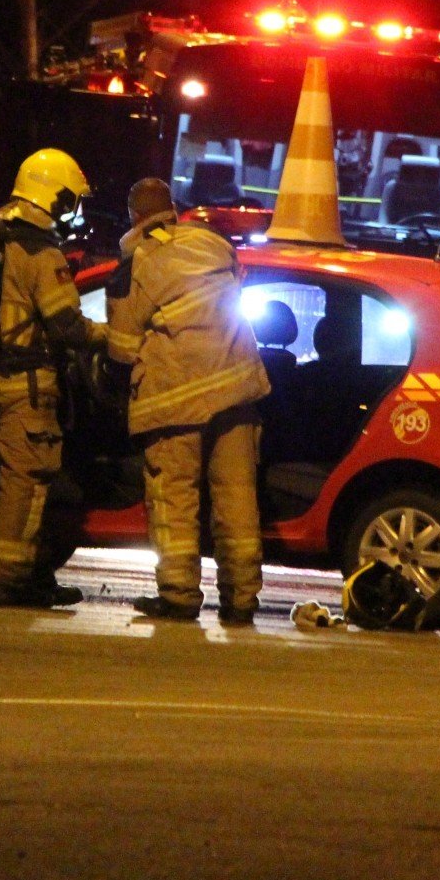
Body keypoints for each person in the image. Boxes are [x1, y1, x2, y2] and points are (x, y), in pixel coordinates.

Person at [106, 176, 272, 625]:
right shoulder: (213, 244)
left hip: (174, 401)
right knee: (236, 497)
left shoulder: (136, 264)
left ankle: (179, 595)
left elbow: (121, 349)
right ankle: (241, 599)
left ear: (134, 216)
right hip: (237, 391)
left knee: (174, 497)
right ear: (172, 208)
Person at [0, 149, 106, 608]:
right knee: (26, 486)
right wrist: (111, 337)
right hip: (26, 385)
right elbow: (66, 325)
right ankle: (10, 582)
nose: (73, 210)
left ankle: (23, 573)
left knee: (10, 485)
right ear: (55, 196)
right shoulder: (41, 252)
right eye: (71, 200)